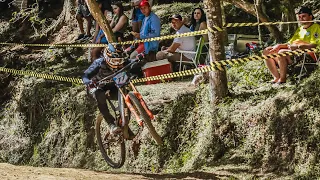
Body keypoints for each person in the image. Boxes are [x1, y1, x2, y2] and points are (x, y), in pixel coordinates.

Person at [263, 6, 320, 84]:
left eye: (304, 16)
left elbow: (314, 45)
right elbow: (290, 43)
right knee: (267, 51)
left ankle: (282, 80)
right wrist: (279, 46)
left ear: (310, 16)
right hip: (294, 51)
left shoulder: (316, 27)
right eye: (299, 17)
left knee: (282, 52)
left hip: (307, 54)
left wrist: (298, 46)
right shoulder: (300, 29)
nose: (301, 19)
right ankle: (276, 77)